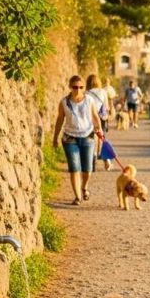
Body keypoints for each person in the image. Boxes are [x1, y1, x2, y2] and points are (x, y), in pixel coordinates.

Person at [51, 75, 105, 205]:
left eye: (81, 87)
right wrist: (55, 138)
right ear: (70, 87)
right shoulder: (64, 102)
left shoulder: (89, 100)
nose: (78, 90)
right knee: (74, 168)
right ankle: (77, 197)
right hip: (70, 138)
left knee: (87, 169)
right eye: (75, 87)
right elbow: (59, 120)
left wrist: (99, 129)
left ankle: (84, 187)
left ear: (84, 88)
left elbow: (95, 116)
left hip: (87, 136)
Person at [87, 74, 112, 171]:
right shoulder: (103, 91)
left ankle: (93, 156)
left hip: (90, 117)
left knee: (91, 138)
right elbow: (106, 107)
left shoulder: (86, 93)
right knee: (101, 137)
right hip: (101, 117)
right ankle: (104, 158)